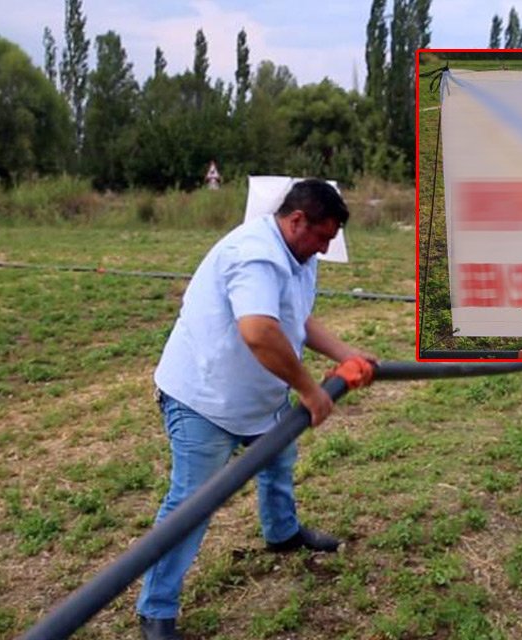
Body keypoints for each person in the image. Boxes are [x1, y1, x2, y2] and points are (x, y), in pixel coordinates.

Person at [137, 179, 376, 640]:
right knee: (191, 504)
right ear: (296, 220)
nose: (325, 249)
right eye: (322, 236)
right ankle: (156, 610)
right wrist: (310, 389)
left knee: (278, 460)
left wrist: (346, 354)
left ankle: (282, 533)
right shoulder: (254, 255)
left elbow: (296, 317)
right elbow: (260, 332)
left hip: (258, 398)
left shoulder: (299, 255)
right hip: (204, 400)